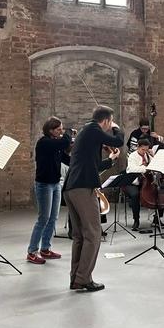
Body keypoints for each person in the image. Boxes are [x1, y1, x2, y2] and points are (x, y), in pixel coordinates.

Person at [63, 105, 123, 292]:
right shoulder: (94, 129)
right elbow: (118, 140)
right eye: (109, 122)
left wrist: (111, 160)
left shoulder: (86, 132)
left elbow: (95, 165)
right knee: (94, 233)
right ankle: (83, 279)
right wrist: (117, 128)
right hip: (82, 188)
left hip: (72, 188)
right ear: (106, 121)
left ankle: (77, 278)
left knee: (80, 235)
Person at [26, 117, 71, 264]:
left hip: (56, 184)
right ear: (50, 130)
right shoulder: (45, 142)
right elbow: (64, 142)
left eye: (62, 129)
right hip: (44, 185)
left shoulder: (55, 145)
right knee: (43, 219)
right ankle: (32, 252)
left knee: (53, 218)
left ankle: (45, 249)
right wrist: (68, 134)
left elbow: (67, 159)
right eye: (59, 129)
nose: (61, 131)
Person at [125, 138, 164, 231]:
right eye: (143, 149)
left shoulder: (148, 155)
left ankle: (157, 218)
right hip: (134, 182)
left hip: (146, 182)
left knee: (161, 192)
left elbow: (157, 166)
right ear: (138, 147)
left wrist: (153, 156)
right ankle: (136, 220)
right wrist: (145, 168)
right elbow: (131, 169)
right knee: (135, 195)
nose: (144, 152)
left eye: (146, 150)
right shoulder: (132, 156)